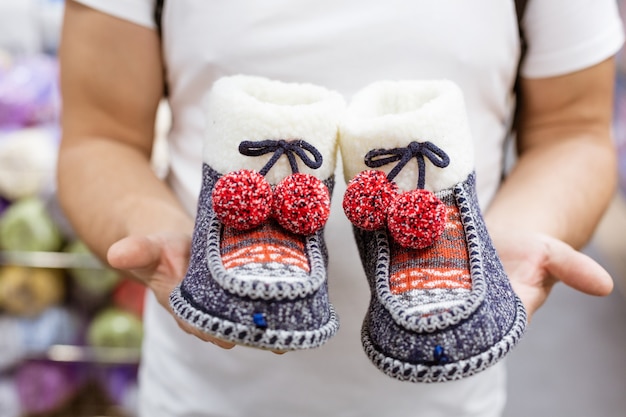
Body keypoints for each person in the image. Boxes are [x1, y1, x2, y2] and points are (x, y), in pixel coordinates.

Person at [56, 1, 623, 416]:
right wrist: (150, 227)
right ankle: (259, 197)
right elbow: (99, 135)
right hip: (199, 395)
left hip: (448, 402)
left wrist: (520, 232)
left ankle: (425, 212)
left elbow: (572, 129)